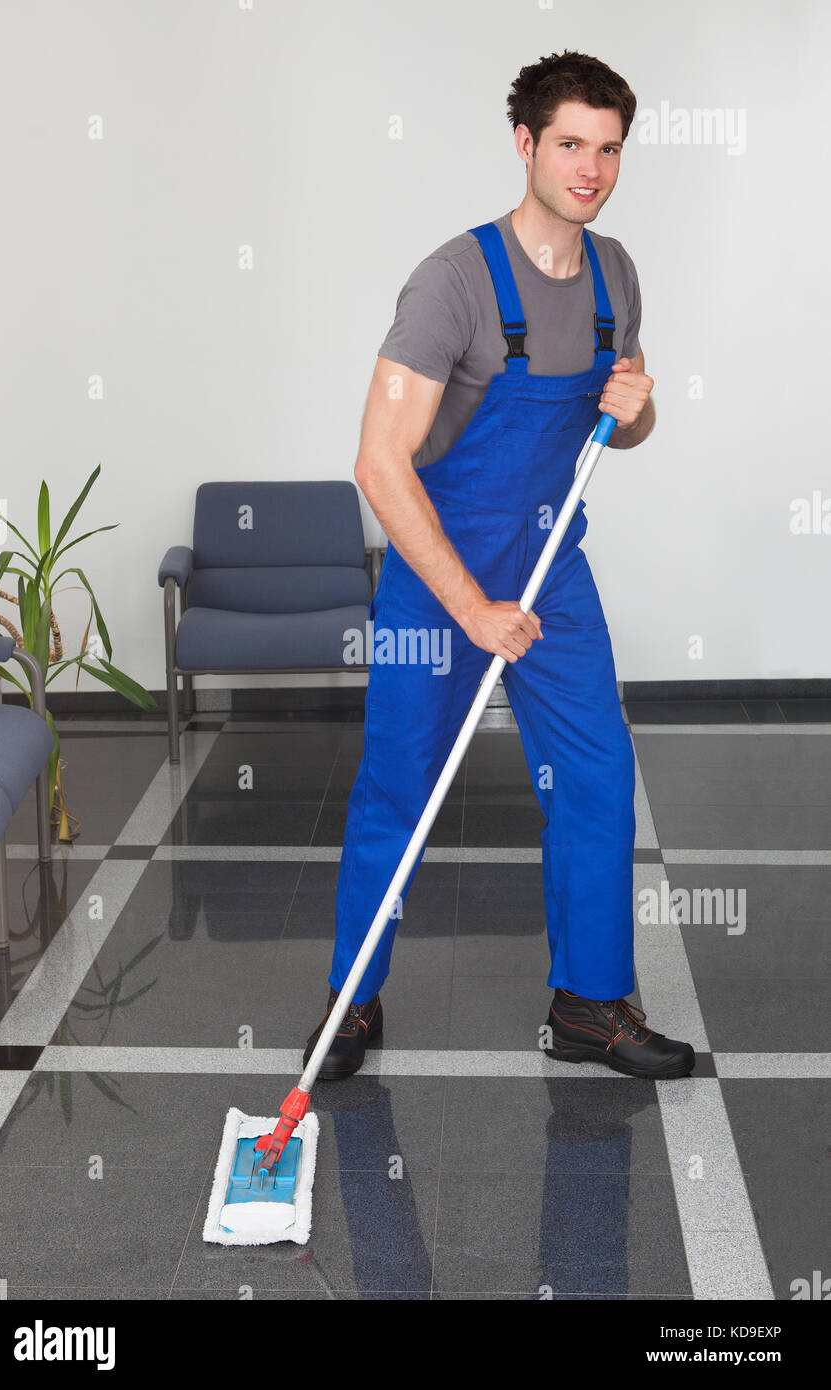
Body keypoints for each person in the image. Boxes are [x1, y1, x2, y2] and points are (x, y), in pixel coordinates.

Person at [303, 51, 695, 1081]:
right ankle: (352, 1002)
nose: (592, 168)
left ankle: (590, 1004)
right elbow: (378, 465)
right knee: (400, 782)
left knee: (600, 774)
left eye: (609, 149)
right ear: (526, 145)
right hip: (443, 571)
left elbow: (623, 431)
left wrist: (637, 410)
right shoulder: (453, 282)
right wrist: (471, 606)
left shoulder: (617, 276)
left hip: (548, 564)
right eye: (570, 144)